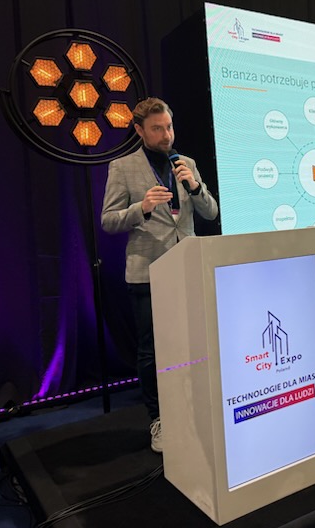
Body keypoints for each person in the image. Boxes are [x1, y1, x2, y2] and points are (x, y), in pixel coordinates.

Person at [101, 97, 218, 453]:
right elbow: (108, 221)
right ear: (139, 130)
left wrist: (195, 187)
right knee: (152, 350)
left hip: (188, 269)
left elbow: (211, 213)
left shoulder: (186, 163)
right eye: (157, 128)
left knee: (194, 343)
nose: (166, 134)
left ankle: (193, 411)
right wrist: (143, 207)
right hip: (147, 274)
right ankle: (158, 419)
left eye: (168, 126)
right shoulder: (123, 167)